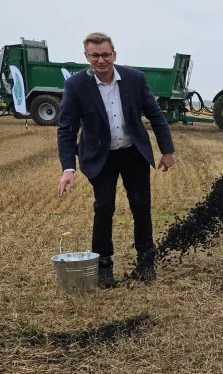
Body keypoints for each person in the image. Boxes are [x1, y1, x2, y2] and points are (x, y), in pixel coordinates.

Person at [56, 32, 177, 287]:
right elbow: (66, 128)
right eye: (95, 55)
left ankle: (146, 261)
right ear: (86, 57)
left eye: (105, 55)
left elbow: (155, 115)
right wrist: (68, 168)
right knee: (104, 207)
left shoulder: (134, 78)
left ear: (114, 54)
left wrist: (167, 151)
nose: (101, 60)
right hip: (101, 157)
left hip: (133, 153)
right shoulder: (76, 86)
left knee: (141, 205)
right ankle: (103, 266)